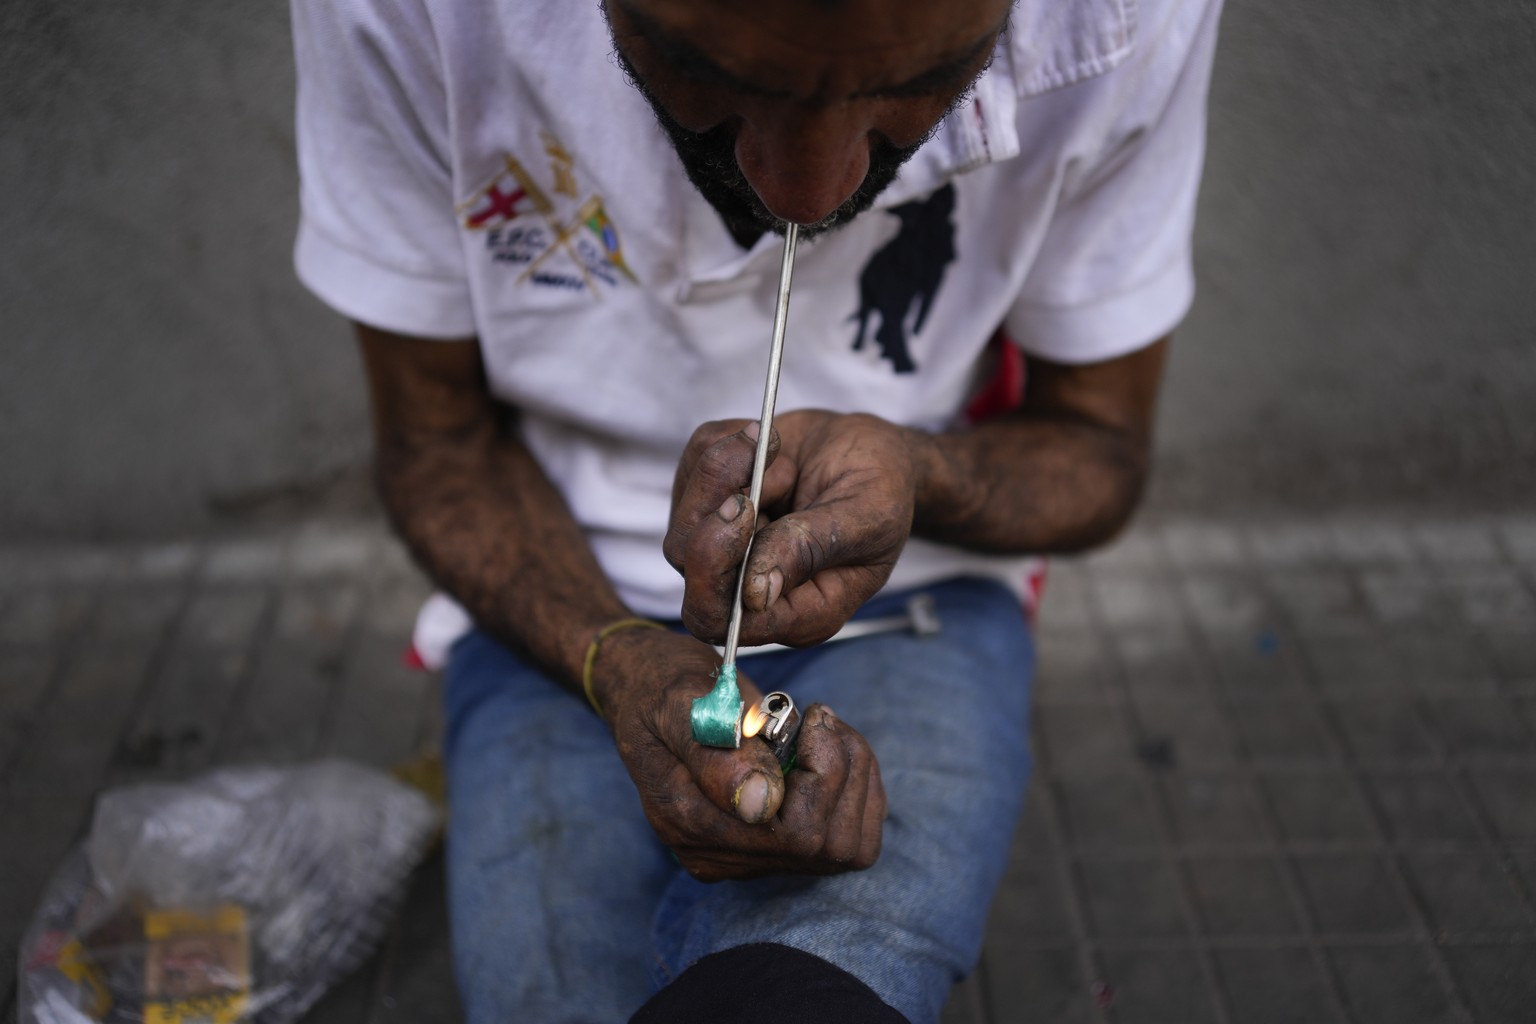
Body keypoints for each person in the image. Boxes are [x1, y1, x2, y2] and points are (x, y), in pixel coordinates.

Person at [290, 0, 1222, 1019]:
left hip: (922, 599)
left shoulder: (1132, 11)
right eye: (708, 75)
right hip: (551, 608)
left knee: (819, 978)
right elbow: (438, 452)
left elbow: (1100, 449)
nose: (807, 192)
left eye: (917, 88)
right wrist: (613, 656)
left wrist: (920, 472)